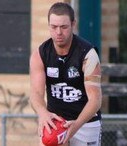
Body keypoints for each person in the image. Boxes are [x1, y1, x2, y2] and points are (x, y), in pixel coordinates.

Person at [30, 2, 102, 146]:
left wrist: (74, 127)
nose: (58, 32)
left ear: (73, 24)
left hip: (85, 123)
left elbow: (95, 100)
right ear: (48, 25)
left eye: (63, 27)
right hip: (55, 124)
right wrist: (43, 113)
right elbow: (35, 95)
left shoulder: (88, 54)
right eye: (54, 27)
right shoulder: (40, 54)